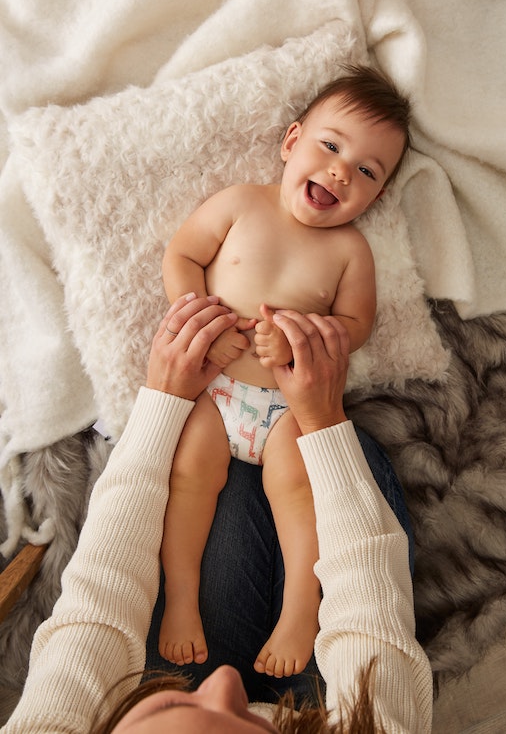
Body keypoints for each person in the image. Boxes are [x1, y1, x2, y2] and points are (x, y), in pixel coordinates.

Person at [4, 295, 432, 734]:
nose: (224, 683)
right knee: (327, 456)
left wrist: (163, 399)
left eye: (160, 709)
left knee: (200, 470)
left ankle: (259, 609)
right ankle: (300, 604)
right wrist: (324, 422)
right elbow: (370, 611)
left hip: (226, 416)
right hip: (274, 419)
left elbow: (101, 595)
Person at [158, 65, 411, 677]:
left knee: (300, 493)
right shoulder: (242, 203)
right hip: (214, 392)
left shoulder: (350, 250)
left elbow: (356, 323)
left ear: (375, 198)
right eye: (330, 145)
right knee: (188, 479)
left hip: (287, 410)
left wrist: (308, 335)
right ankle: (182, 603)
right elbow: (183, 253)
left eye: (367, 172)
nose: (340, 172)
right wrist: (199, 317)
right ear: (291, 140)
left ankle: (302, 606)